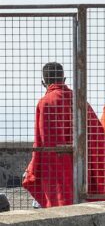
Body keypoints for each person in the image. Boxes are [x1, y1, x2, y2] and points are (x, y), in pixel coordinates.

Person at [22, 63, 75, 207]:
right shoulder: (79, 101)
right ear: (64, 79)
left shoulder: (44, 103)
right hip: (78, 162)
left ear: (43, 82)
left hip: (52, 164)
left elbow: (41, 141)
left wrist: (33, 169)